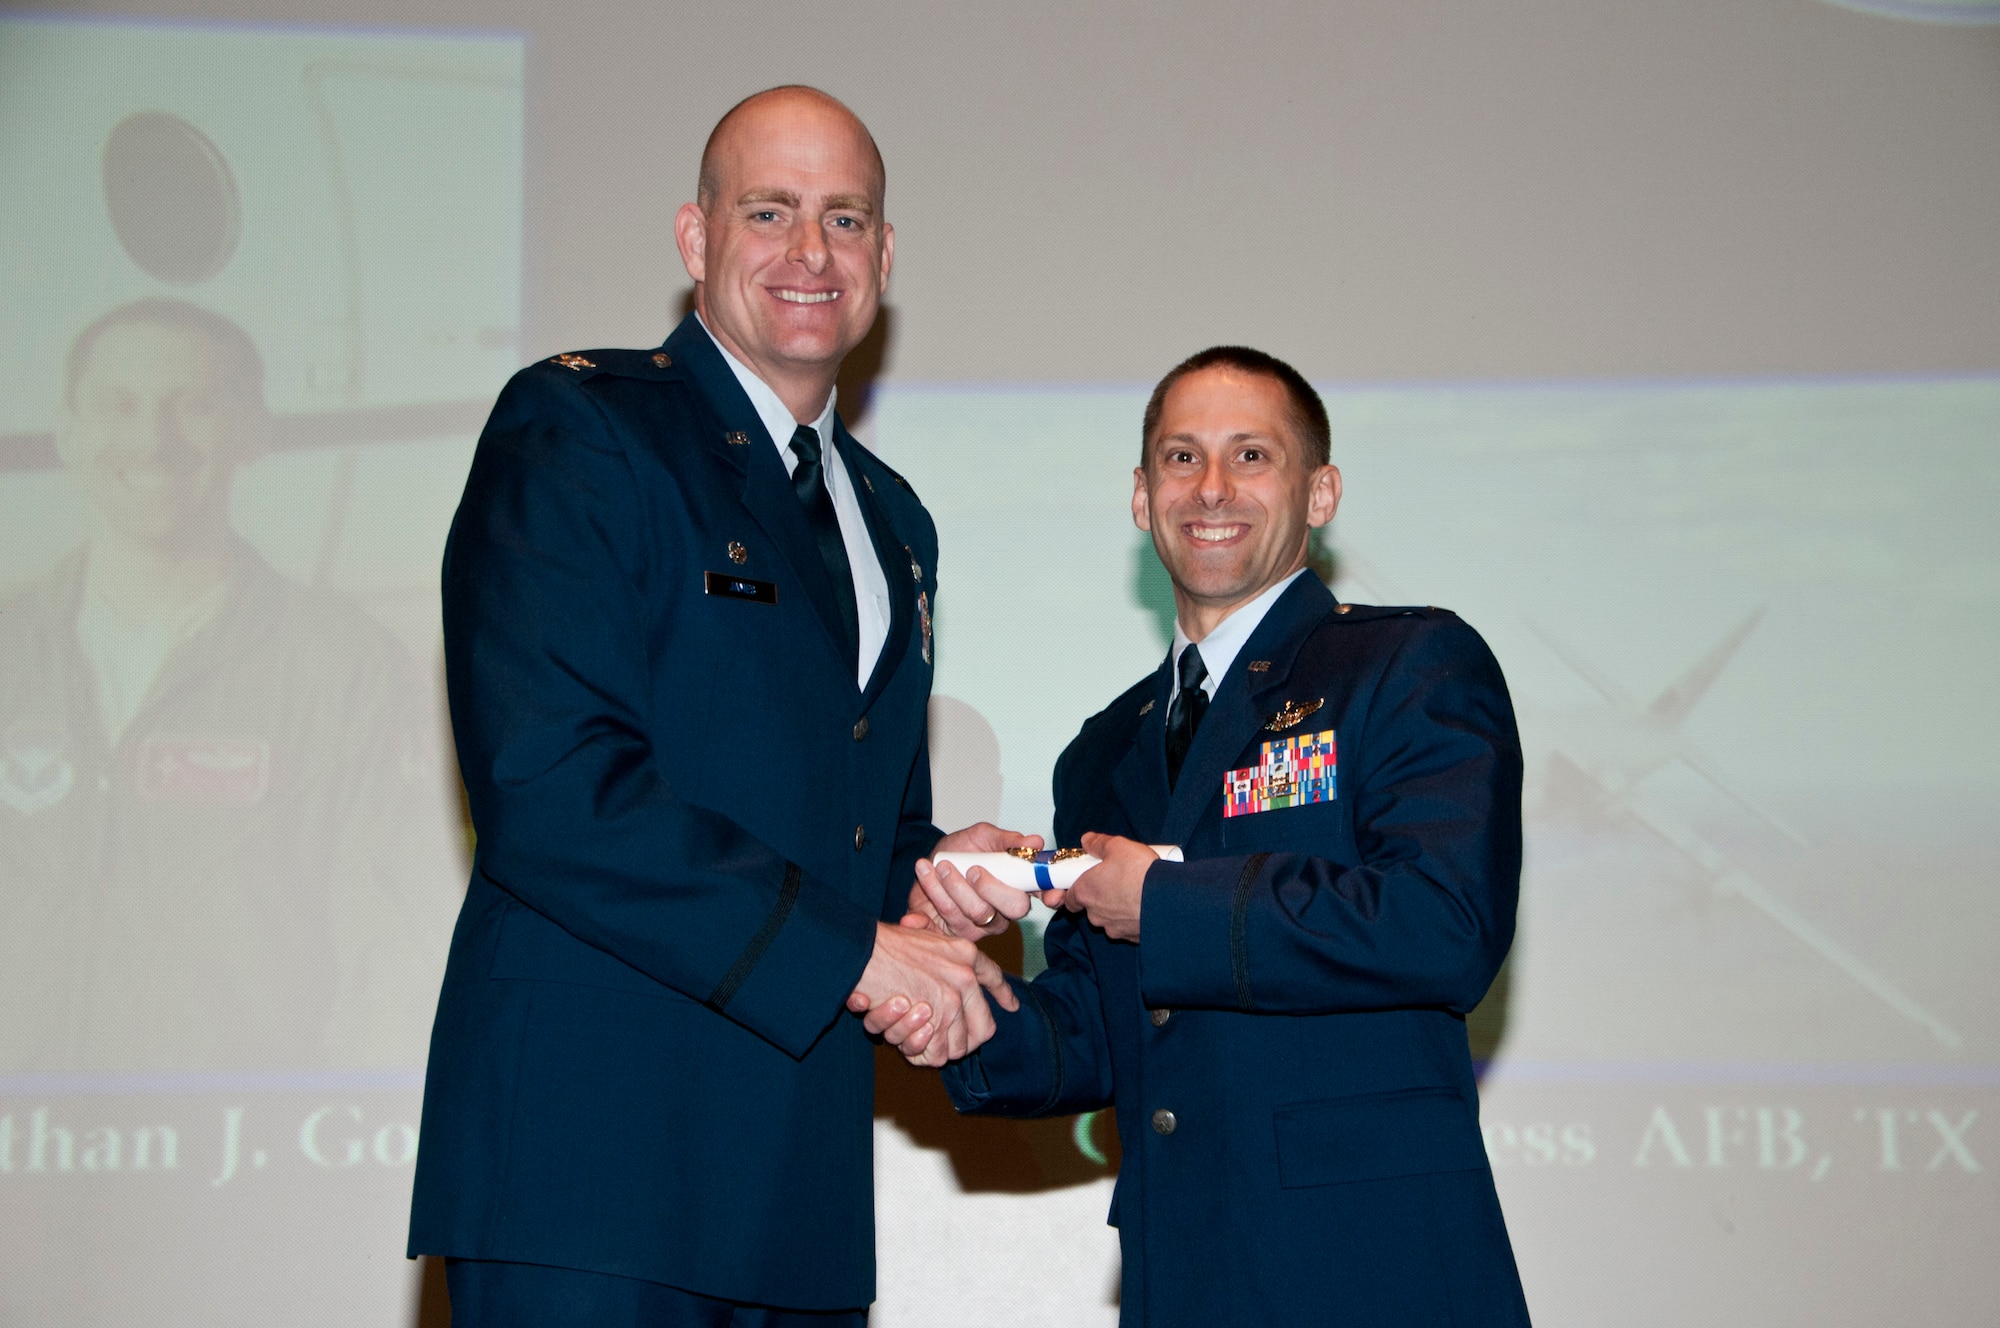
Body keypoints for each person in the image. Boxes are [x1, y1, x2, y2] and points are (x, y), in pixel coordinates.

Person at [408, 86, 1035, 1325]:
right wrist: (859, 947)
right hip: (587, 1178)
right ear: (695, 240)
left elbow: (853, 821)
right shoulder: (582, 425)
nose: (811, 252)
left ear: (884, 259)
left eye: (844, 218)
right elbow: (550, 784)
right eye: (770, 211)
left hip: (792, 1198)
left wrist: (929, 876)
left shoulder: (893, 518)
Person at [908, 347, 1533, 1326]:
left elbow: (1442, 921)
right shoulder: (1104, 749)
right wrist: (953, 977)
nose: (1210, 488)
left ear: (1318, 491)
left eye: (1251, 455)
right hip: (1184, 1265)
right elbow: (1095, 1032)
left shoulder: (1404, 663)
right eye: (1179, 456)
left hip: (1374, 1263)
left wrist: (1158, 901)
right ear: (1138, 494)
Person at [0, 298, 453, 1072]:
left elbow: (393, 959)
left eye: (192, 406)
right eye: (119, 405)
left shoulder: (343, 668)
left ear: (253, 431)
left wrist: (331, 1156)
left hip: (238, 1163)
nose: (152, 440)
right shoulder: (13, 648)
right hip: (24, 1164)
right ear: (68, 431)